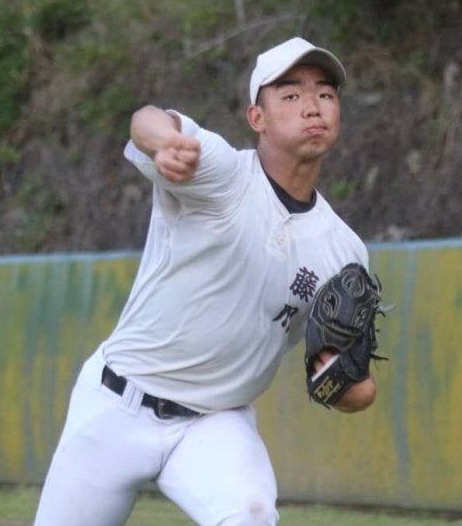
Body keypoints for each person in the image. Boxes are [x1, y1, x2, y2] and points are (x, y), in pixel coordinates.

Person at [33, 36, 377, 526]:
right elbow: (148, 117)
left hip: (215, 423)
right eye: (291, 94)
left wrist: (341, 380)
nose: (312, 106)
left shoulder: (344, 253)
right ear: (257, 118)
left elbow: (357, 391)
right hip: (117, 405)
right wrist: (165, 143)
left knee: (251, 515)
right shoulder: (219, 171)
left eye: (325, 93)